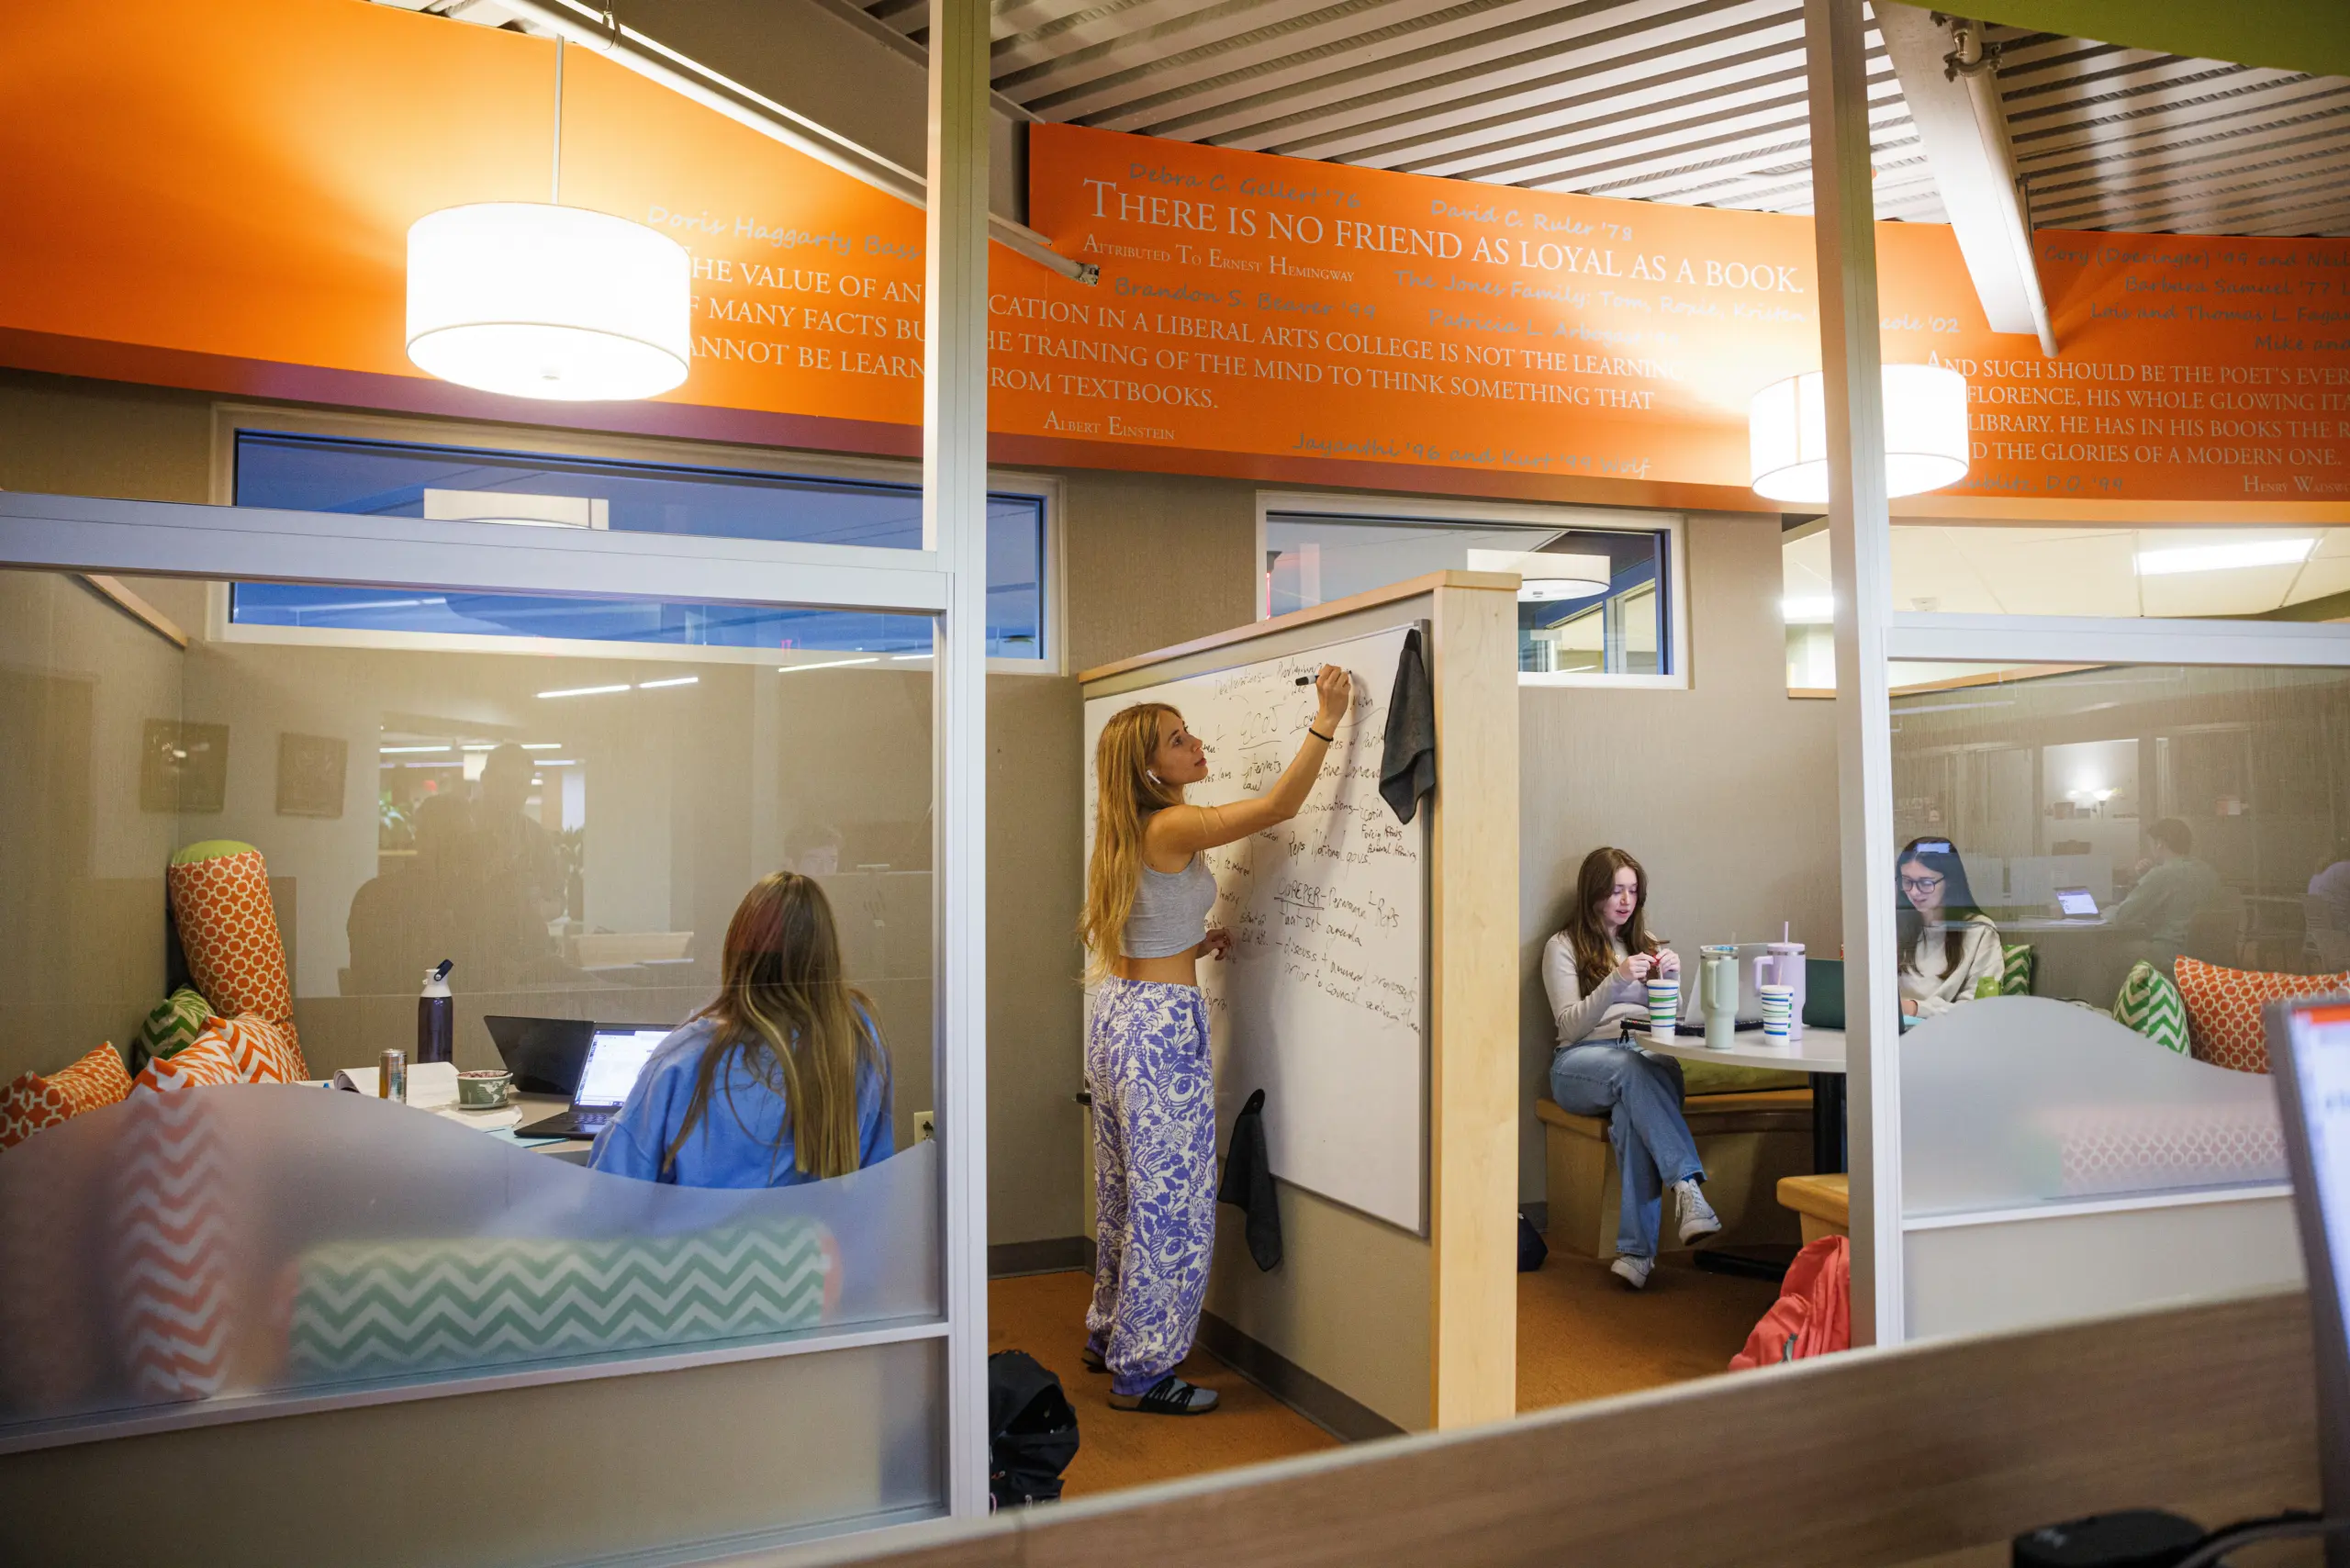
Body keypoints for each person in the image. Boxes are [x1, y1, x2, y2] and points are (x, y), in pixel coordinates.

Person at [1077, 665, 1352, 1416]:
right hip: (1159, 1027)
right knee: (1172, 1202)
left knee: (1126, 1189)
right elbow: (1279, 804)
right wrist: (1326, 718)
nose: (1196, 744)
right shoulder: (1171, 823)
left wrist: (1194, 944)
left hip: (1121, 1011)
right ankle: (1144, 1372)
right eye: (1177, 739)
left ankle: (1109, 1333)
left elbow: (1142, 929)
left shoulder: (1129, 828)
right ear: (1148, 766)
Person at [588, 871, 892, 1187]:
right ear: (826, 953)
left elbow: (610, 1193)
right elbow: (875, 1179)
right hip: (817, 1236)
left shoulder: (688, 1058)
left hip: (694, 1236)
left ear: (736, 950)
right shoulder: (856, 1038)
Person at [1542, 847, 1719, 1292]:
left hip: (1641, 1058)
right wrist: (1617, 979)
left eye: (1633, 891)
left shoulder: (1647, 942)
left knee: (1630, 1113)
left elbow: (1672, 1026)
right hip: (1579, 1063)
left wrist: (1670, 983)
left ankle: (1636, 1254)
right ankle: (1688, 1188)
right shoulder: (1561, 946)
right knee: (1631, 1071)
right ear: (1594, 893)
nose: (1626, 900)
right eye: (1616, 890)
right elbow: (1569, 1025)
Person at [1896, 837, 2003, 1019]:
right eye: (1907, 881)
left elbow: (1980, 1007)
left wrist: (1914, 1008)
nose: (1914, 892)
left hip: (1951, 1036)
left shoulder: (1979, 931)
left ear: (1950, 882)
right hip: (1891, 1034)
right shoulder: (1894, 926)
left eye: (1925, 883)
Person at [2109, 818, 2221, 979]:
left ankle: (2091, 1004)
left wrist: (2098, 913)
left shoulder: (2162, 874)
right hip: (2207, 952)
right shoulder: (2208, 871)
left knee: (2105, 954)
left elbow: (2122, 916)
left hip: (2170, 952)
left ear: (2159, 843)